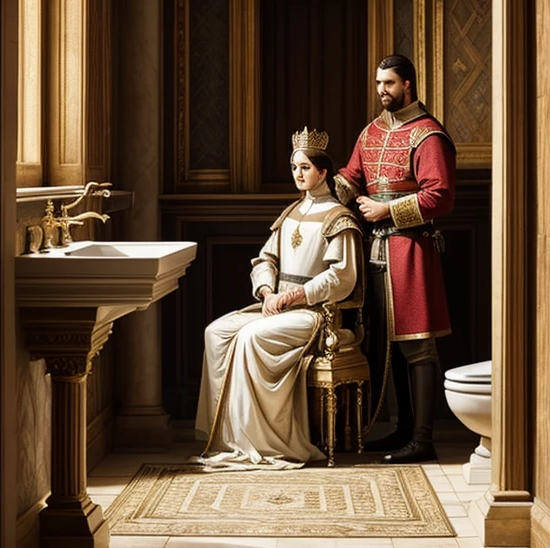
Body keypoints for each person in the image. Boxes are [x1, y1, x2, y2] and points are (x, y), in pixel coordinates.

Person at [194, 127, 363, 470]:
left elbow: (342, 277)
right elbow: (265, 260)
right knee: (216, 332)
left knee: (250, 336)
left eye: (305, 168)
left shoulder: (339, 219)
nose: (298, 174)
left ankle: (263, 439)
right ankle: (227, 437)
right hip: (276, 304)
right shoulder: (290, 214)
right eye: (294, 167)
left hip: (315, 314)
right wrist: (269, 291)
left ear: (323, 172)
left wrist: (298, 294)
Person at [335, 54, 456, 464]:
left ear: (408, 84)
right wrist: (317, 183)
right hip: (374, 251)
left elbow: (439, 196)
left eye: (388, 83)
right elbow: (351, 180)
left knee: (418, 346)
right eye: (377, 83)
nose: (381, 91)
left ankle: (423, 438)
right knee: (387, 343)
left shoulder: (429, 135)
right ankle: (403, 429)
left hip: (412, 249)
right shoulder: (370, 132)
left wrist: (387, 210)